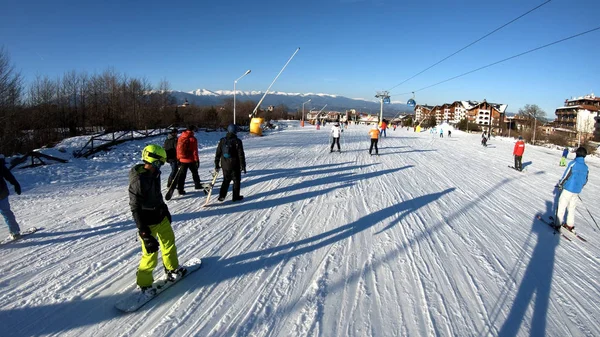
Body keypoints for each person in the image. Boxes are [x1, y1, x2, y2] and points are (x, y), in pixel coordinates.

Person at [129, 144, 186, 294]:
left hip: (160, 217)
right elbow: (134, 207)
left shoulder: (155, 173)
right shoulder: (138, 181)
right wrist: (143, 232)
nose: (161, 166)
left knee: (169, 244)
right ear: (152, 160)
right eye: (160, 162)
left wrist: (164, 209)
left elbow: (157, 195)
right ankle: (144, 284)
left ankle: (172, 268)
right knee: (150, 253)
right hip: (148, 222)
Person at [555, 147, 589, 232]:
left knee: (562, 205)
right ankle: (570, 224)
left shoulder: (573, 163)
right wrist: (580, 186)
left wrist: (560, 184)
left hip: (568, 189)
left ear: (577, 154)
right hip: (576, 190)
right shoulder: (586, 167)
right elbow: (585, 180)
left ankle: (557, 223)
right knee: (572, 207)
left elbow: (566, 175)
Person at [215, 124, 247, 202]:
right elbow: (241, 154)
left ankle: (222, 196)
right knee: (236, 180)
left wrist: (216, 164)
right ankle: (235, 196)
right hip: (235, 164)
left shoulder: (222, 140)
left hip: (224, 164)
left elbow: (218, 153)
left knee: (226, 180)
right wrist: (243, 165)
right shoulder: (238, 141)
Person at [0, 154, 22, 240]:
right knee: (6, 212)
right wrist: (16, 184)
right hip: (2, 192)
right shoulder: (1, 164)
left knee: (6, 212)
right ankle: (15, 231)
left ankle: (15, 231)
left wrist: (16, 184)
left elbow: (8, 175)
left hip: (1, 192)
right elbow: (8, 175)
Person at [176, 125, 202, 195]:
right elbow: (195, 151)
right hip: (190, 159)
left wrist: (178, 158)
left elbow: (178, 149)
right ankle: (197, 185)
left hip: (182, 159)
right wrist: (197, 160)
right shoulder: (193, 139)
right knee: (195, 172)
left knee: (182, 175)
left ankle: (180, 189)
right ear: (192, 130)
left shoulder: (180, 137)